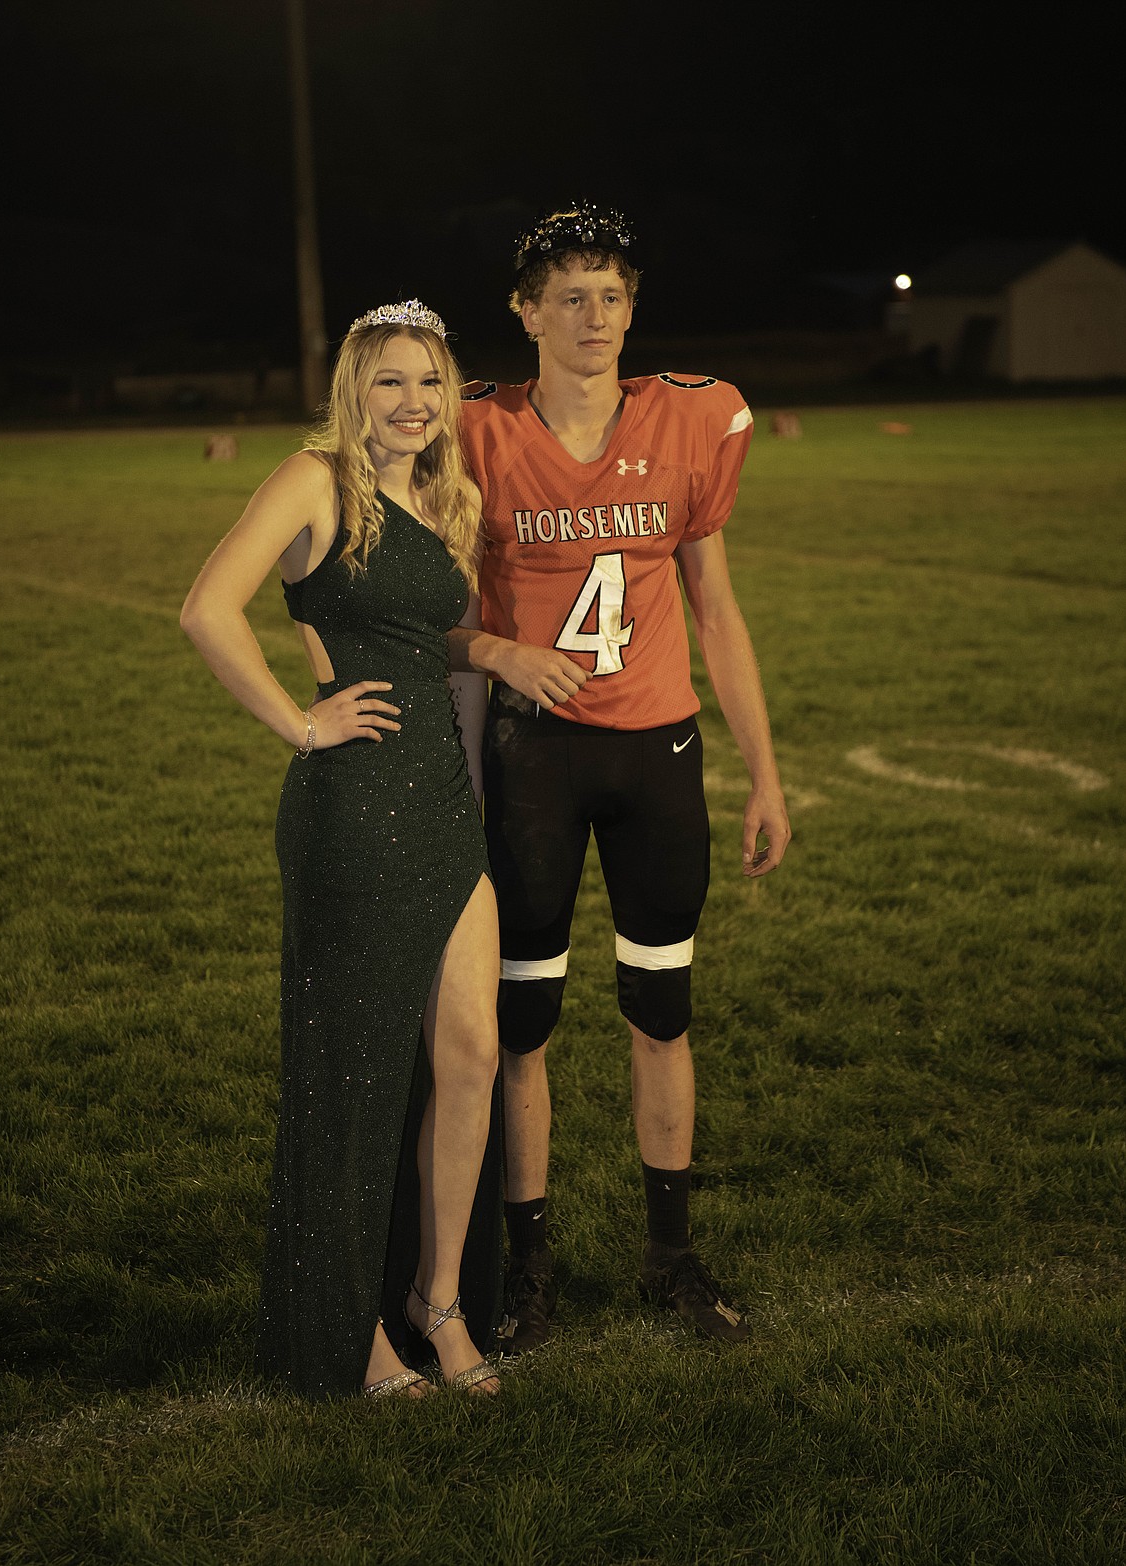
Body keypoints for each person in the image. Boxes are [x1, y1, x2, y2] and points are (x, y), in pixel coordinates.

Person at [449, 204, 791, 1353]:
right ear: (526, 310)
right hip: (532, 756)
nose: (594, 317)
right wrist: (495, 655)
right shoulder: (475, 433)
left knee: (662, 1007)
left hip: (658, 750)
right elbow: (433, 619)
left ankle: (670, 1261)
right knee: (526, 1019)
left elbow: (718, 611)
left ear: (631, 307)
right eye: (570, 295)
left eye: (612, 295)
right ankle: (529, 1269)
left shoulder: (691, 421)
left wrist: (767, 775)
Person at [181, 300, 501, 1398]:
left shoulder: (448, 492)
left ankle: (440, 1301)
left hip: (445, 804)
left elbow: (431, 639)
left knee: (469, 1057)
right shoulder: (316, 480)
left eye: (428, 382)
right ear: (354, 389)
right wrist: (303, 721)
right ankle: (350, 1331)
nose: (412, 403)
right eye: (388, 382)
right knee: (354, 1079)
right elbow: (206, 609)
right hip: (355, 806)